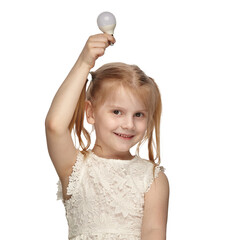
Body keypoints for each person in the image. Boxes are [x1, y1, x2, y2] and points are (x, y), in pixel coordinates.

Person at [45, 33, 169, 240]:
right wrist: (85, 61)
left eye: (138, 114)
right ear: (91, 113)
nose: (128, 124)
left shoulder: (153, 178)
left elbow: (154, 233)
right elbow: (55, 125)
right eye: (117, 112)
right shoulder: (76, 168)